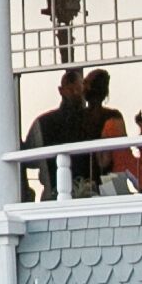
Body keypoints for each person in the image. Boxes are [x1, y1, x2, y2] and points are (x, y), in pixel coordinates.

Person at [26, 68, 102, 201]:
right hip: (88, 195)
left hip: (54, 196)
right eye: (73, 90)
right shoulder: (93, 120)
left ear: (60, 90)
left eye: (77, 90)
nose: (75, 93)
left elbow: (30, 160)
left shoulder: (42, 122)